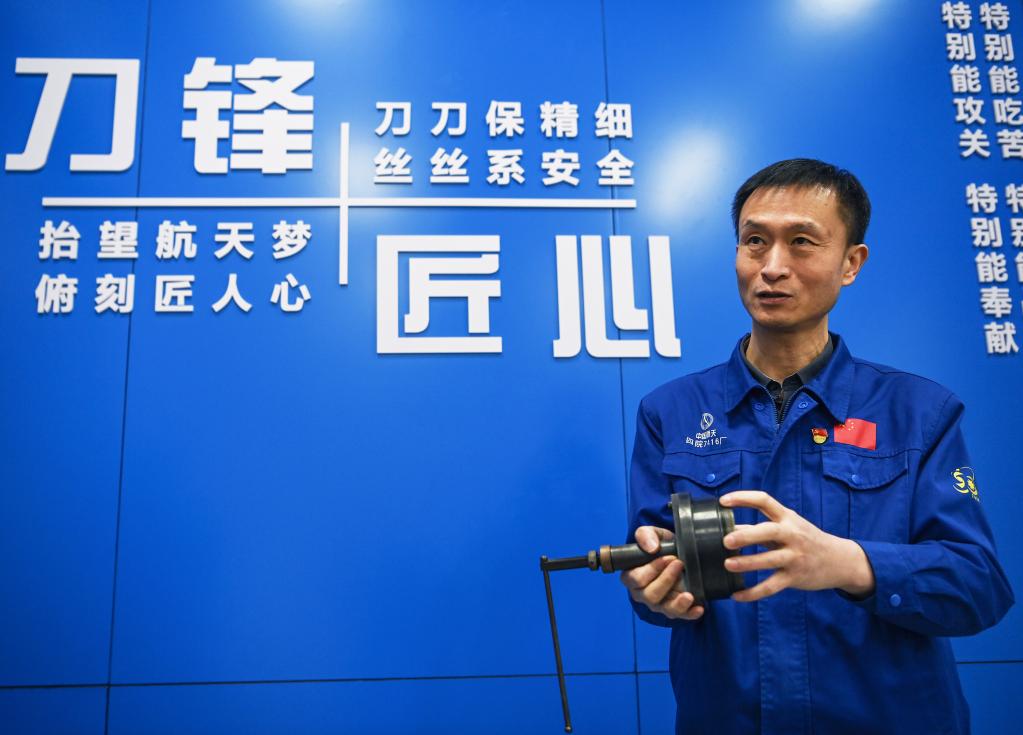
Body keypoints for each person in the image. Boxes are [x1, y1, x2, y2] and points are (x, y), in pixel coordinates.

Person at [621, 159, 1014, 735]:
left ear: (851, 262)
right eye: (755, 241)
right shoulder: (670, 412)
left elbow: (978, 586)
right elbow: (655, 574)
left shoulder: (919, 412)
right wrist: (655, 592)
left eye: (801, 242)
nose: (772, 267)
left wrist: (850, 564)